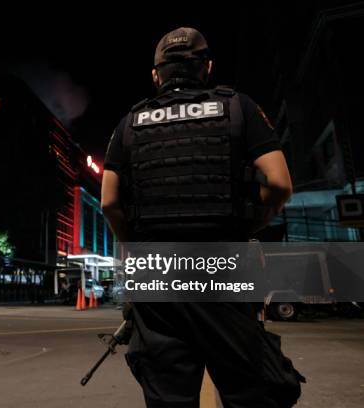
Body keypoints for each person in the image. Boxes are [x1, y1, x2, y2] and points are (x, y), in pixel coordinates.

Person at [101, 27, 304, 408]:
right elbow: (279, 183)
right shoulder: (238, 105)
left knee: (168, 395)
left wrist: (133, 250)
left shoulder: (129, 123)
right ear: (207, 68)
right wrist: (248, 223)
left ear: (155, 75)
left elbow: (109, 202)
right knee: (249, 391)